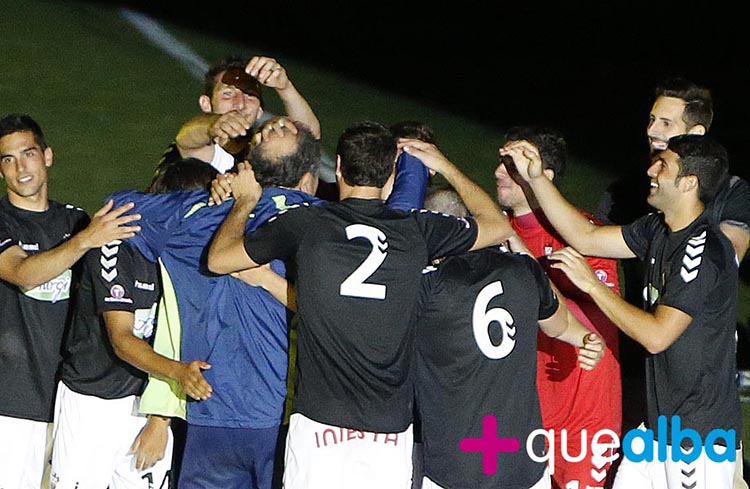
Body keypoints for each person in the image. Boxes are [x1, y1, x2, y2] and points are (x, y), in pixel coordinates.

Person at [207, 121, 514, 489]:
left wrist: (243, 203)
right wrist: (444, 165)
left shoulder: (306, 222)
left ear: (337, 167)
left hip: (319, 424)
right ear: (389, 175)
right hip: (387, 429)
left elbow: (219, 260)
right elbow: (498, 226)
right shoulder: (416, 228)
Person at [502, 134, 741, 488]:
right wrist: (535, 178)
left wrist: (592, 285)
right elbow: (584, 236)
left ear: (688, 183)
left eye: (664, 165)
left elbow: (657, 336)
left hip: (697, 438)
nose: (651, 170)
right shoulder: (658, 229)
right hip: (660, 427)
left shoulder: (703, 250)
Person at [415, 187, 606, 489]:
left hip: (454, 470)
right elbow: (561, 327)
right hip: (522, 468)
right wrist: (586, 340)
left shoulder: (427, 286)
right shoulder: (522, 269)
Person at [49, 160, 216, 489]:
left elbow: (181, 338)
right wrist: (179, 373)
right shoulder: (113, 245)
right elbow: (122, 339)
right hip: (91, 403)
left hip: (148, 404)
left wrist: (160, 419)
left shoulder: (186, 257)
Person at [0, 113, 140, 488]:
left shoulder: (76, 220)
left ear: (47, 156)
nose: (20, 168)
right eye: (8, 160)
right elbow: (23, 274)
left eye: (27, 154)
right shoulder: (5, 221)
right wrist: (85, 241)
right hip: (11, 405)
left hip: (72, 402)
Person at [495, 126, 622, 488]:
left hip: (583, 414)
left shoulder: (584, 233)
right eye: (501, 163)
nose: (499, 172)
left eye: (513, 165)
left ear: (543, 177)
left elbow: (598, 319)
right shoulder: (494, 231)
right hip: (522, 411)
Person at [157, 55, 321, 174]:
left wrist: (285, 87)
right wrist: (213, 125)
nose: (240, 103)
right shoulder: (194, 145)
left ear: (260, 112)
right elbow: (187, 137)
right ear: (206, 104)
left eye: (249, 95)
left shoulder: (259, 156)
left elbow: (309, 136)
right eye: (228, 94)